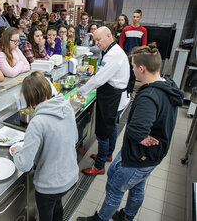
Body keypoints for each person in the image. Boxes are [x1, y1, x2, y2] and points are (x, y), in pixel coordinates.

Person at [77, 43, 184, 221]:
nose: (132, 70)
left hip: (139, 156)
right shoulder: (168, 85)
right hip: (153, 155)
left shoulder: (149, 96)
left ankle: (100, 219)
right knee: (138, 186)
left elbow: (137, 129)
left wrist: (140, 137)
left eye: (133, 66)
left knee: (114, 189)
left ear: (141, 68)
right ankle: (127, 216)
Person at [11, 71, 79, 221]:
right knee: (57, 206)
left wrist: (17, 151)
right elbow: (74, 138)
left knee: (46, 215)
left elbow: (24, 165)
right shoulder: (66, 107)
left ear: (29, 98)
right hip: (70, 177)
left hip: (49, 186)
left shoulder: (37, 122)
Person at [76, 26, 130, 175]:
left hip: (112, 98)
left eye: (99, 39)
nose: (97, 43)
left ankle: (99, 165)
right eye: (95, 40)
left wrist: (82, 90)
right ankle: (107, 154)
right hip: (115, 97)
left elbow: (100, 79)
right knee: (111, 127)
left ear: (109, 36)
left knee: (103, 133)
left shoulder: (113, 55)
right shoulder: (113, 51)